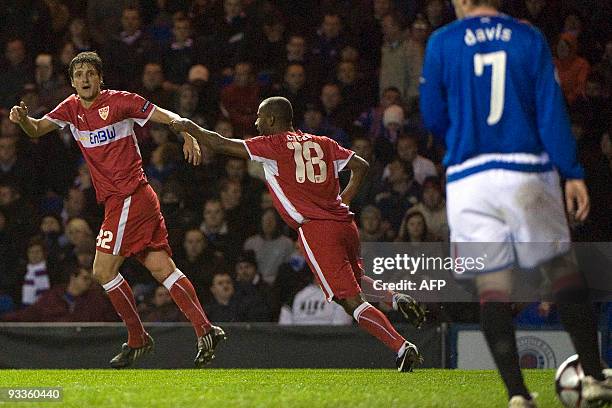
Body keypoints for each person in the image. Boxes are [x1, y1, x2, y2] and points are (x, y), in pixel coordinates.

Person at [419, 1, 610, 406]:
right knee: (560, 270)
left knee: (492, 286)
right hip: (525, 169)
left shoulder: (442, 42)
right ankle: (593, 376)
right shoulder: (527, 37)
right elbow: (550, 109)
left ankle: (518, 395)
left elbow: (433, 115)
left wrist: (466, 134)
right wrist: (572, 171)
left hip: (469, 178)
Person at [170, 96, 426, 372]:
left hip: (316, 229)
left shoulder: (273, 145)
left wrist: (189, 127)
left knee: (348, 300)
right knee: (354, 280)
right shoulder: (323, 142)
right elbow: (361, 165)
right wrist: (345, 200)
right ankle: (394, 298)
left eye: (259, 117)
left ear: (271, 119)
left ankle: (402, 347)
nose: (256, 123)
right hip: (345, 224)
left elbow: (220, 143)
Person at [9, 51, 225, 369]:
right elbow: (38, 129)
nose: (84, 78)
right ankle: (205, 329)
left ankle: (138, 339)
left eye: (90, 73)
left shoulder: (120, 101)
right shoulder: (70, 108)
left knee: (102, 271)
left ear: (100, 78)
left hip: (130, 196)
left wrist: (185, 130)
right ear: (72, 81)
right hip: (127, 199)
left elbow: (162, 114)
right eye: (78, 74)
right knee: (162, 268)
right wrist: (23, 119)